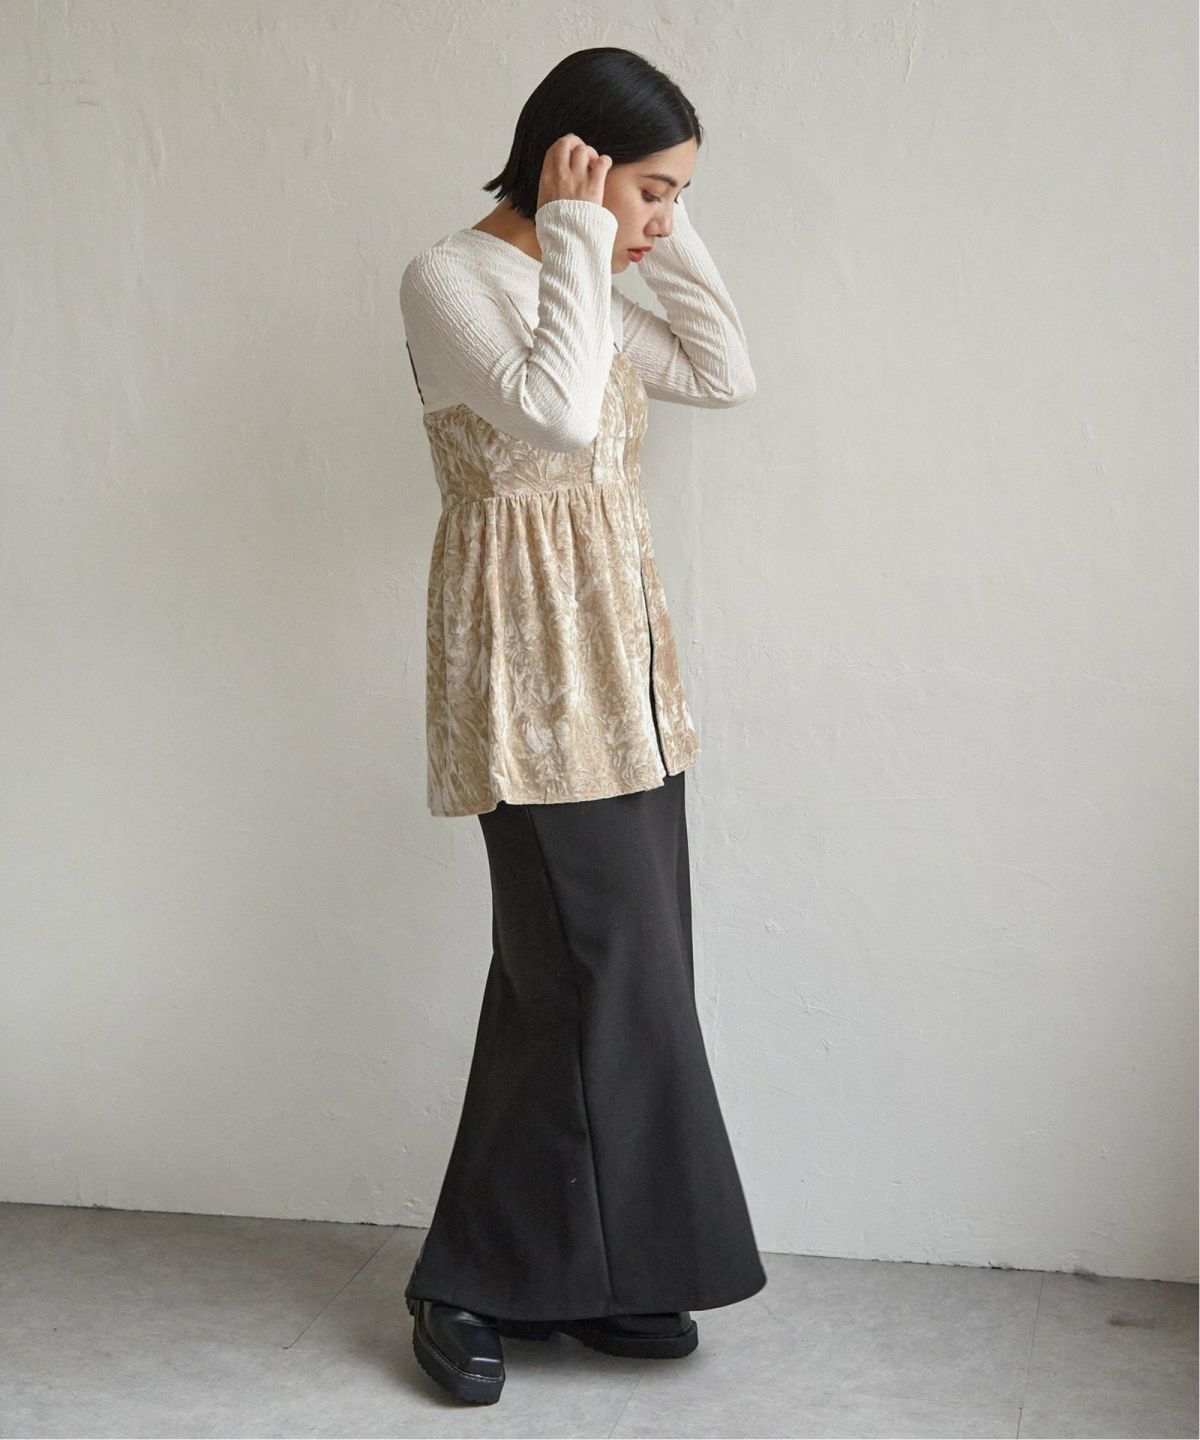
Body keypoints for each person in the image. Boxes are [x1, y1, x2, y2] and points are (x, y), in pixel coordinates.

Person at [398, 45, 766, 1405]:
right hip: (526, 661)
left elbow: (723, 369)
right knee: (577, 972)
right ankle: (463, 1279)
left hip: (626, 664)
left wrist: (649, 234)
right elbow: (553, 418)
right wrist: (576, 232)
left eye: (679, 195)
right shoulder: (449, 278)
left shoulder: (590, 276)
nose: (663, 217)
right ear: (579, 162)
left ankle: (582, 1271)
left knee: (619, 968)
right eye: (654, 189)